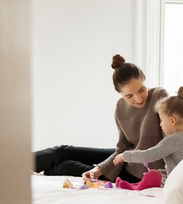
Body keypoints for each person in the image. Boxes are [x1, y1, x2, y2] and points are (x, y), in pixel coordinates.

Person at [33, 54, 168, 183]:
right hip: (126, 157)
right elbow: (122, 147)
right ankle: (16, 165)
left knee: (66, 166)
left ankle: (42, 173)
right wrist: (101, 168)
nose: (138, 99)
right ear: (119, 94)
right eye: (129, 96)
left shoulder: (159, 96)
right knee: (62, 151)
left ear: (144, 78)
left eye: (141, 90)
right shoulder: (120, 108)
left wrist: (101, 169)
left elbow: (170, 140)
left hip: (140, 172)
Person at [114, 87, 183, 185]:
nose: (160, 124)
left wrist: (125, 156)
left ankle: (131, 186)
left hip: (181, 185)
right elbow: (176, 167)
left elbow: (148, 155)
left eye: (162, 120)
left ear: (172, 121)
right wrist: (161, 172)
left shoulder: (173, 140)